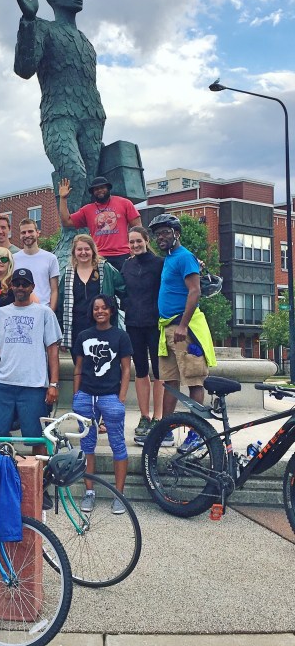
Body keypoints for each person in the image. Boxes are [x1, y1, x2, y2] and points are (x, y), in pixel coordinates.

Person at [14, 0, 106, 264]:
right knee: (74, 174)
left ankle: (89, 242)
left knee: (92, 185)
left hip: (91, 115)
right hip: (58, 115)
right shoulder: (43, 28)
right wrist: (28, 19)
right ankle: (70, 238)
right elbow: (25, 69)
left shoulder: (86, 42)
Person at [149, 213, 216, 448]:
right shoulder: (169, 258)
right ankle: (164, 432)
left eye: (165, 232)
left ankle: (196, 434)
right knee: (169, 381)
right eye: (158, 235)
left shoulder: (185, 257)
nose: (161, 238)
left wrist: (184, 325)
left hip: (183, 328)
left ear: (176, 233)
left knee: (194, 380)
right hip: (167, 328)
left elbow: (195, 291)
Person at [0, 268, 61, 441]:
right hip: (2, 383)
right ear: (11, 286)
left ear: (32, 287)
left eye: (25, 284)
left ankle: (38, 469)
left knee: (37, 438)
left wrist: (53, 383)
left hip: (34, 384)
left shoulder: (45, 313)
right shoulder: (0, 314)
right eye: (16, 283)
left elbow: (52, 349)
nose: (20, 287)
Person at [72, 295, 133, 513]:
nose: (100, 312)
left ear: (111, 311)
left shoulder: (120, 336)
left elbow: (126, 369)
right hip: (86, 395)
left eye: (104, 308)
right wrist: (76, 394)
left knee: (118, 444)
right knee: (87, 445)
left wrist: (122, 396)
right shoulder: (84, 336)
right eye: (96, 308)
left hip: (110, 395)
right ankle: (89, 492)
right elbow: (78, 367)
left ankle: (119, 494)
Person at [121, 226, 165, 444]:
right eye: (132, 242)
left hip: (155, 323)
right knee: (140, 370)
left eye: (139, 241)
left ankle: (159, 417)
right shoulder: (127, 265)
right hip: (133, 324)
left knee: (159, 370)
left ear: (147, 241)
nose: (135, 245)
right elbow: (121, 290)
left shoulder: (159, 263)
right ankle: (144, 416)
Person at [57, 234, 125, 351]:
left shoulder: (106, 269)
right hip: (77, 330)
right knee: (80, 367)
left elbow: (123, 291)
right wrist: (62, 334)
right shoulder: (68, 274)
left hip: (101, 327)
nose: (83, 252)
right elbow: (61, 304)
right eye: (79, 249)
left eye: (87, 249)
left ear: (93, 251)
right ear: (74, 252)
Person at [58, 177, 141, 271]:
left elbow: (138, 229)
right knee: (102, 285)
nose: (99, 190)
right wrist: (63, 198)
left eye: (102, 187)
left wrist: (135, 252)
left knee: (126, 284)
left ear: (108, 188)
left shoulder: (124, 203)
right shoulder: (87, 210)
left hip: (123, 255)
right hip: (99, 257)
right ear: (93, 192)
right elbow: (66, 221)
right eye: (96, 189)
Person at [12, 217, 60, 309]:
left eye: (30, 231)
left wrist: (51, 313)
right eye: (23, 232)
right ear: (20, 235)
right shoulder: (13, 258)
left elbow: (54, 290)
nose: (27, 235)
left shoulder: (50, 258)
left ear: (37, 233)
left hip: (43, 309)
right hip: (20, 310)